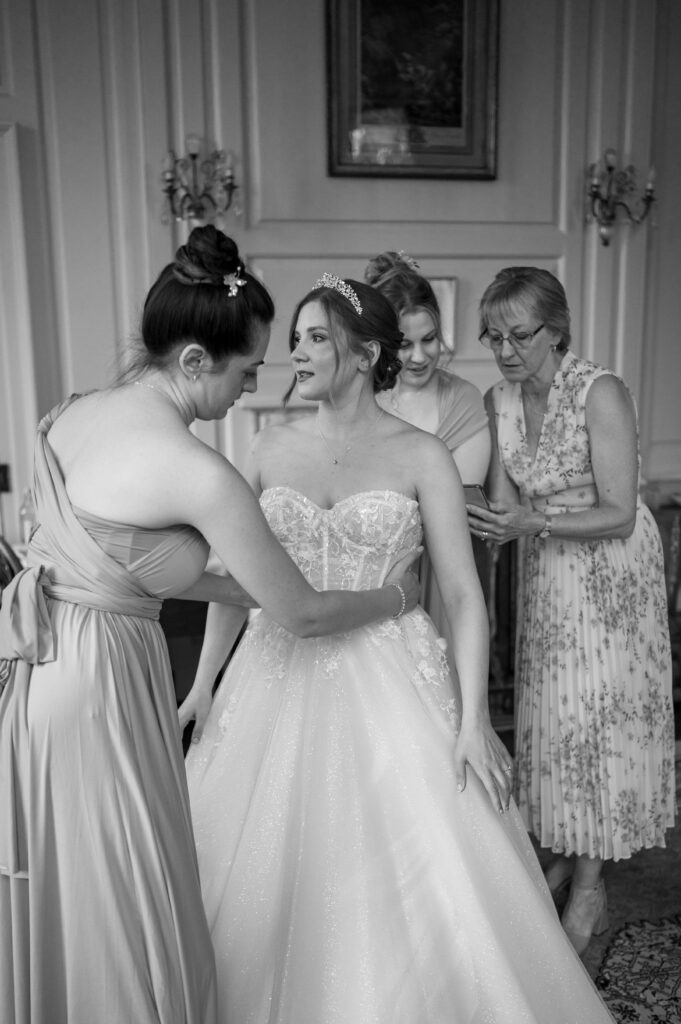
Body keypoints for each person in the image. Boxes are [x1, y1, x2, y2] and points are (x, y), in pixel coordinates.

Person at [0, 229, 420, 1024]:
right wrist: (398, 599)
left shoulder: (72, 416)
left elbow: (117, 560)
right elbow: (299, 612)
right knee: (123, 890)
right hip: (101, 688)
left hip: (39, 675)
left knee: (73, 884)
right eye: (246, 369)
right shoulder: (197, 471)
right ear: (194, 361)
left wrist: (227, 583)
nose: (254, 386)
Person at [182, 273, 616, 1022]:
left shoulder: (421, 456)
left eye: (317, 337)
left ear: (364, 351)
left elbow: (459, 594)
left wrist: (471, 719)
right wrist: (201, 686)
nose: (298, 351)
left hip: (388, 674)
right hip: (269, 674)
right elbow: (236, 580)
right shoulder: (264, 444)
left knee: (418, 869)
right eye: (295, 339)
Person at [467, 266, 676, 956]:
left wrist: (534, 524)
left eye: (518, 335)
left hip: (610, 574)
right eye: (492, 336)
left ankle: (590, 882)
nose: (504, 349)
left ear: (555, 330)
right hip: (547, 575)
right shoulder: (498, 398)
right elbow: (501, 500)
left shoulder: (600, 391)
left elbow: (618, 514)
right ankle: (565, 848)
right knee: (555, 717)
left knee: (598, 717)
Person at [365, 250, 491, 648]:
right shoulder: (358, 400)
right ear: (382, 343)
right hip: (366, 576)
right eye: (405, 344)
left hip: (440, 576)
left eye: (430, 339)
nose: (420, 357)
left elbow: (457, 507)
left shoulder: (464, 401)